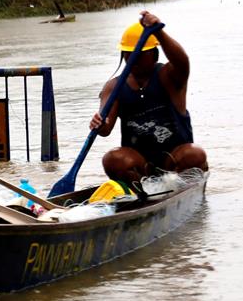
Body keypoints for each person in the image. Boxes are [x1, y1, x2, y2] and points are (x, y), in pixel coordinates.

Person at [89, 11, 208, 185]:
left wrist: (158, 32)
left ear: (153, 53)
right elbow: (105, 128)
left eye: (139, 53)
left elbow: (182, 62)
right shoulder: (114, 87)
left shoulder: (169, 76)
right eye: (129, 54)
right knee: (112, 159)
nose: (133, 58)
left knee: (195, 154)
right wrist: (98, 124)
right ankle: (144, 192)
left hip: (175, 160)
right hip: (141, 165)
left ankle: (179, 188)